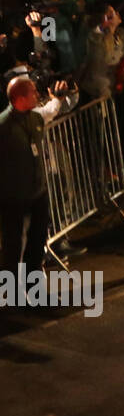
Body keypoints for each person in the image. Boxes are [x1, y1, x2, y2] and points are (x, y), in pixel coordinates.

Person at [0, 76, 54, 281]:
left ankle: (35, 290)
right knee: (12, 247)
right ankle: (11, 294)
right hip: (12, 196)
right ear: (19, 97)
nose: (37, 94)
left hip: (37, 193)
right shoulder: (3, 127)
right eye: (32, 92)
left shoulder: (36, 119)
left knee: (37, 243)